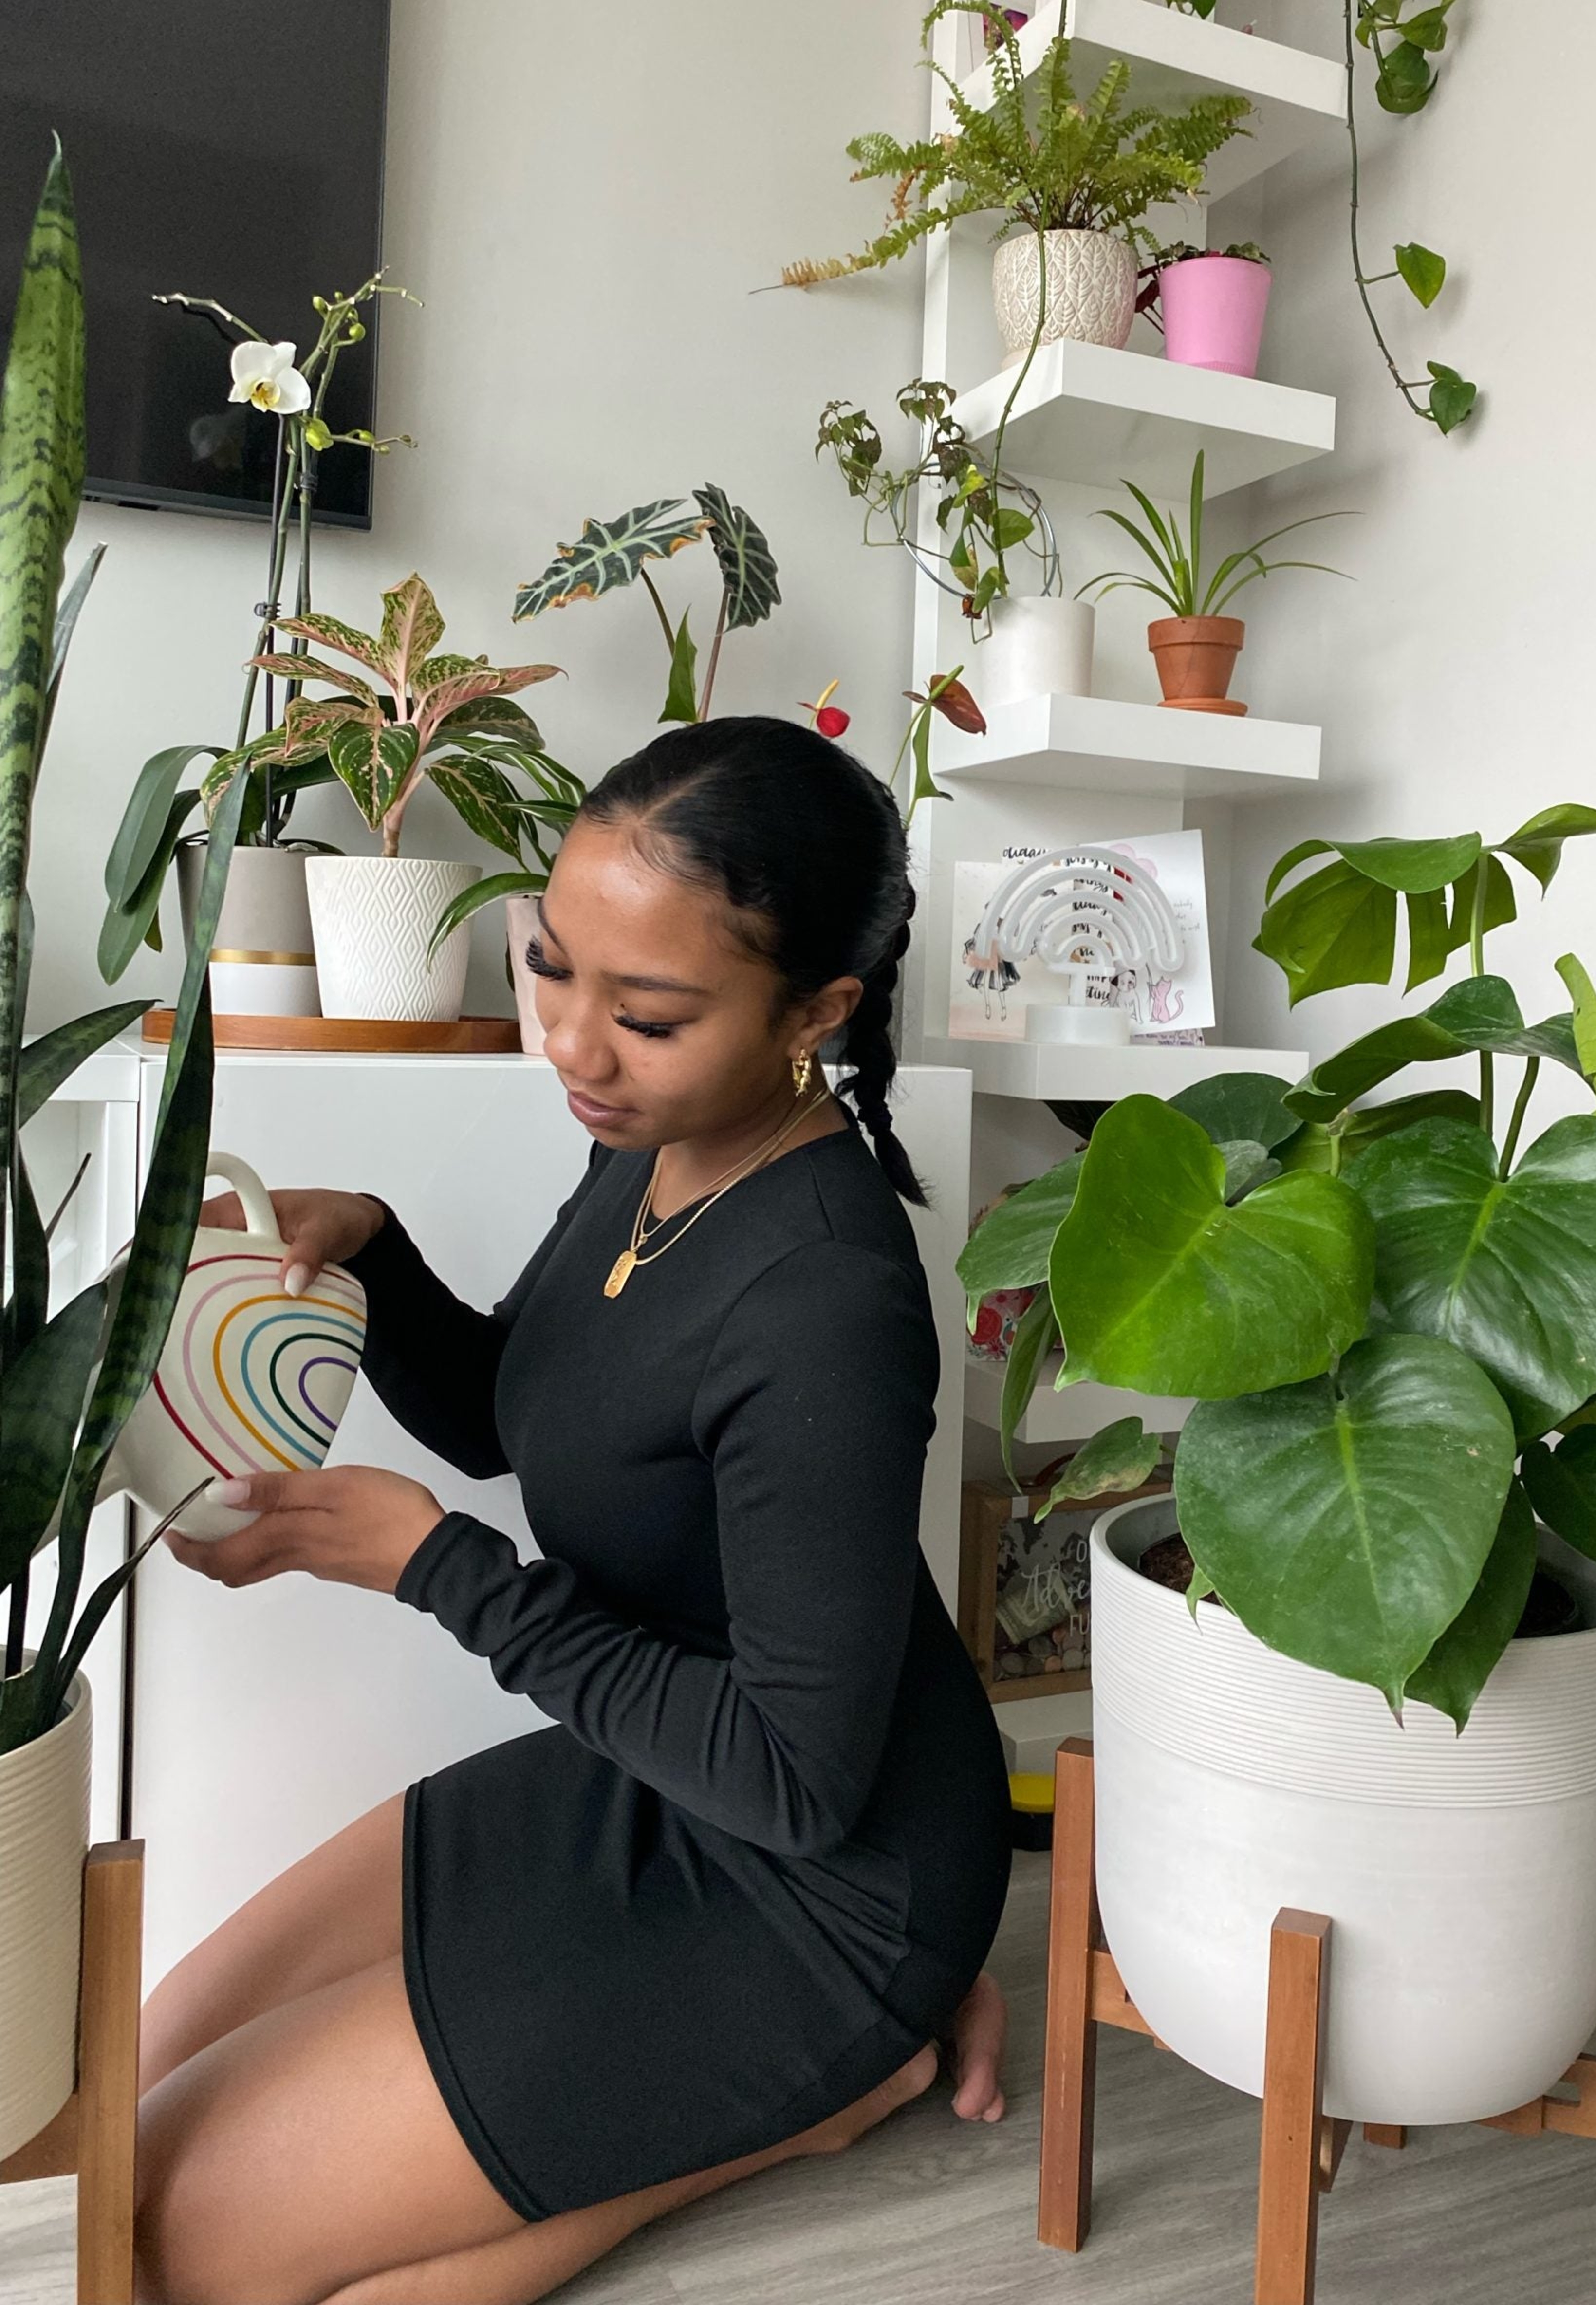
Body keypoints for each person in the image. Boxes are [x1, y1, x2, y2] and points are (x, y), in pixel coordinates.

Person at [134, 717, 1014, 2305]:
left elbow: (799, 1782)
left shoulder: (827, 1299)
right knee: (124, 2104)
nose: (574, 1045)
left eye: (651, 1013)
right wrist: (377, 1256)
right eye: (554, 968)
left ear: (815, 1011)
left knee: (185, 2257)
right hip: (655, 1757)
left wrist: (438, 1571)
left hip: (827, 1879)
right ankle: (755, 2110)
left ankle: (796, 2103)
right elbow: (511, 1414)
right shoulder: (654, 1144)